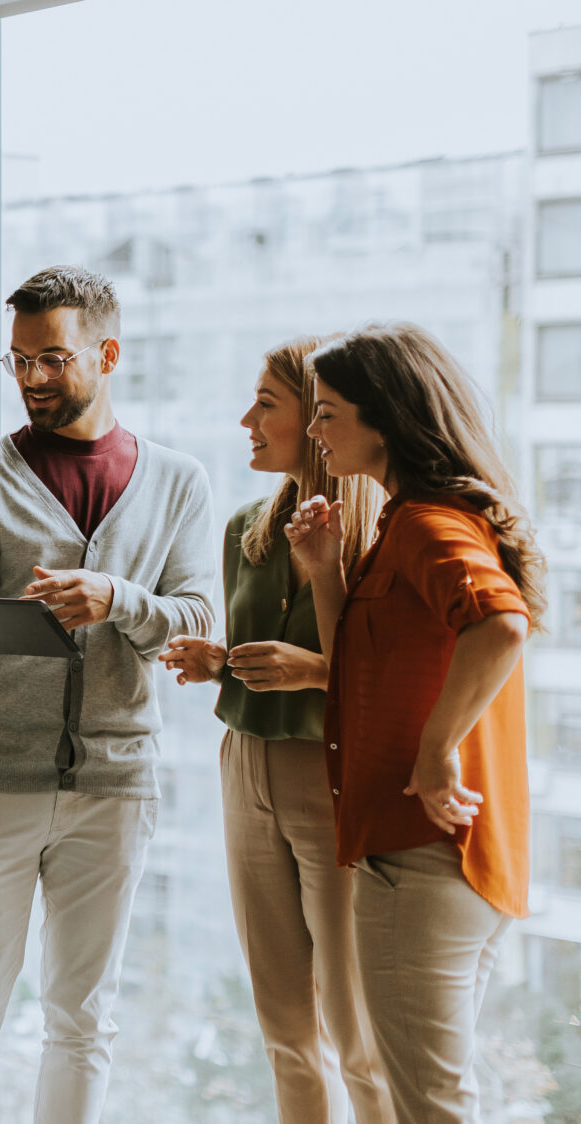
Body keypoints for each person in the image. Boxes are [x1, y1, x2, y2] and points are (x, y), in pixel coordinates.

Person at [0, 265, 215, 1124]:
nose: (32, 380)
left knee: (83, 1019)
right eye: (18, 362)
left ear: (107, 353)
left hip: (115, 784)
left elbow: (193, 617)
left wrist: (115, 597)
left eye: (52, 359)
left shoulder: (178, 481)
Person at [286, 323, 540, 1122]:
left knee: (426, 1104)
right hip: (440, 859)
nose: (316, 434)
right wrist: (326, 574)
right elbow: (356, 672)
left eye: (328, 414)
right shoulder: (410, 521)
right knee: (430, 1095)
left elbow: (500, 624)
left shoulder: (429, 524)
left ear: (384, 418)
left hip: (422, 854)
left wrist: (437, 752)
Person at [158, 336, 393, 1124]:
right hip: (244, 766)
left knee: (355, 1026)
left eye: (267, 404)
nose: (246, 420)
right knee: (283, 1024)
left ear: (317, 418)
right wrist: (217, 660)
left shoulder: (375, 539)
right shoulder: (243, 533)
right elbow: (264, 657)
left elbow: (386, 677)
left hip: (326, 778)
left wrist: (312, 670)